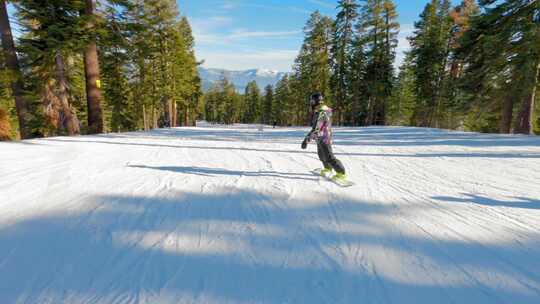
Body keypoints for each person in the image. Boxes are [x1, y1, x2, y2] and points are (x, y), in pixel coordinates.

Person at [301, 92, 347, 181]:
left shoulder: (321, 112)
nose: (311, 103)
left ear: (316, 101)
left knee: (329, 157)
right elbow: (316, 127)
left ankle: (341, 173)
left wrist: (306, 140)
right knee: (321, 155)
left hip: (325, 138)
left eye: (312, 101)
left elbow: (316, 129)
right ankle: (328, 168)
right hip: (319, 137)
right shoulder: (320, 111)